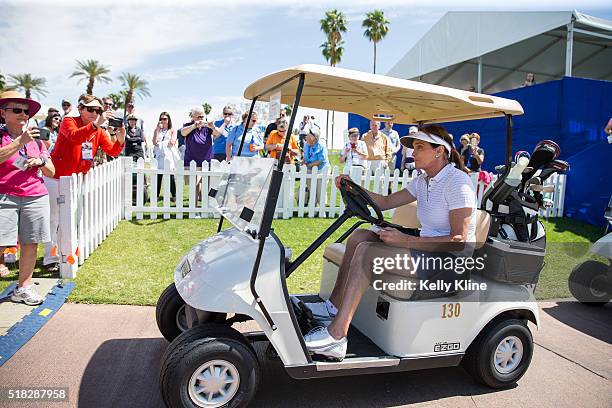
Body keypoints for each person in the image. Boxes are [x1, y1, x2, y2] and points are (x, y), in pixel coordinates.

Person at [303, 124, 476, 360]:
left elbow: (459, 241)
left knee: (367, 253)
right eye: (414, 147)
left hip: (449, 263)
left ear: (439, 151)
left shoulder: (458, 183)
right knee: (360, 236)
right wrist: (353, 187)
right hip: (427, 249)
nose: (413, 153)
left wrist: (404, 240)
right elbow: (384, 202)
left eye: (419, 147)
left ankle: (336, 337)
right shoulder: (423, 181)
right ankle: (331, 308)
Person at [43, 94, 125, 271]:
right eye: (90, 109)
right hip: (56, 177)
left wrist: (120, 138)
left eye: (98, 110)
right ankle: (51, 257)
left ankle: (67, 253)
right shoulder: (68, 121)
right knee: (54, 218)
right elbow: (75, 137)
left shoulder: (99, 131)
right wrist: (95, 125)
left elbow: (112, 150)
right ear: (80, 109)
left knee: (73, 217)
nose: (95, 113)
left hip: (77, 179)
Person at [0, 91, 56, 304]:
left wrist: (40, 162)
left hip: (35, 195)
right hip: (5, 195)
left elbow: (51, 170)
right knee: (1, 243)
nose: (23, 115)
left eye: (26, 111)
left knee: (30, 242)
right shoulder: (5, 136)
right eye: (17, 110)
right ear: (3, 113)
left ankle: (23, 287)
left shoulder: (37, 139)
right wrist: (19, 142)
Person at [152, 111, 177, 200]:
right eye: (161, 119)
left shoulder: (172, 130)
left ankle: (174, 195)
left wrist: (162, 143)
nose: (163, 121)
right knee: (158, 176)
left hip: (168, 155)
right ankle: (156, 195)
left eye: (165, 119)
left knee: (170, 176)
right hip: (159, 155)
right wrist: (157, 129)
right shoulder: (158, 130)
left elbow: (172, 142)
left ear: (168, 120)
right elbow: (154, 142)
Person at [303, 127, 329, 205]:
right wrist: (304, 162)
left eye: (308, 134)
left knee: (320, 189)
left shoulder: (321, 146)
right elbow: (306, 157)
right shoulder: (306, 145)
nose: (306, 136)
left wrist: (309, 165)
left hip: (321, 169)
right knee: (312, 188)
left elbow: (321, 160)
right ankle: (313, 206)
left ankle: (322, 208)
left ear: (313, 137)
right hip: (310, 169)